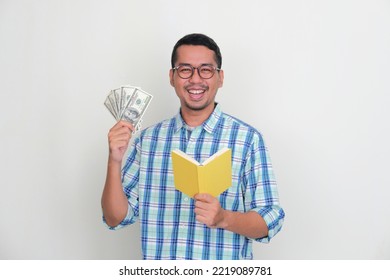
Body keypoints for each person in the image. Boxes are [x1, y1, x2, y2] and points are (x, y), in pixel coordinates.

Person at [101, 33, 285, 260]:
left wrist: (223, 218)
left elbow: (270, 220)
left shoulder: (248, 140)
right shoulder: (146, 141)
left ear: (220, 77)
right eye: (185, 69)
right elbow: (115, 218)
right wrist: (114, 160)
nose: (195, 79)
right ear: (172, 77)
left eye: (206, 70)